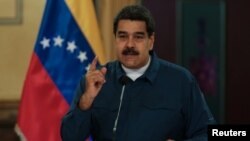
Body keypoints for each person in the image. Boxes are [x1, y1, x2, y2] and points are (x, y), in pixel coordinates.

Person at [61, 5, 215, 141]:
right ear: (115, 39)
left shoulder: (181, 81)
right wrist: (86, 100)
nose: (129, 44)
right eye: (123, 36)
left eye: (138, 37)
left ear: (151, 41)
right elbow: (70, 137)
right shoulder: (95, 81)